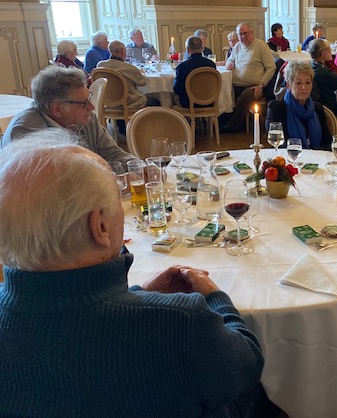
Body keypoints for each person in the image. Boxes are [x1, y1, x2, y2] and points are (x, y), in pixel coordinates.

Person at [0, 129, 265, 416]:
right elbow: (247, 364)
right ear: (100, 227)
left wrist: (136, 294)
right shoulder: (179, 322)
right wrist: (215, 297)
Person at [1, 66, 135, 165]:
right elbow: (40, 185)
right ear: (57, 109)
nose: (91, 107)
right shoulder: (24, 133)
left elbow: (112, 153)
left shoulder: (87, 119)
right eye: (83, 103)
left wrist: (139, 167)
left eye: (89, 99)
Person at [266, 60, 330, 150]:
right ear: (288, 85)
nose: (304, 87)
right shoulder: (276, 109)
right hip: (288, 157)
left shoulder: (317, 109)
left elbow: (327, 143)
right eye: (298, 83)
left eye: (308, 83)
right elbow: (279, 145)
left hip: (317, 157)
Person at [224, 22, 277, 132]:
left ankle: (231, 126)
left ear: (251, 32)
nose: (243, 36)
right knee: (224, 92)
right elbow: (230, 59)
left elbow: (271, 68)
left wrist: (261, 85)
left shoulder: (261, 46)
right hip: (236, 84)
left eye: (245, 33)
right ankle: (225, 122)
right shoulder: (237, 46)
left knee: (245, 96)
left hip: (255, 86)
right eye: (240, 34)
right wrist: (230, 63)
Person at [96, 40, 149, 109]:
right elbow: (143, 82)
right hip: (130, 102)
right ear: (122, 52)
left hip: (108, 104)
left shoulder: (100, 65)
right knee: (155, 101)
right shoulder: (129, 68)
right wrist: (141, 73)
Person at [173, 36, 217, 108]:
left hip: (188, 103)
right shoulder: (211, 64)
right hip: (209, 102)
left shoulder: (182, 67)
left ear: (187, 49)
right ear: (202, 48)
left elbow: (176, 89)